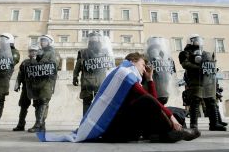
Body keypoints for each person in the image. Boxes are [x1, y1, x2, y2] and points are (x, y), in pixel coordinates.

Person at [37, 52, 200, 143]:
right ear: (133, 61)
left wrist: (150, 79)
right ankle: (172, 133)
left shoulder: (132, 76)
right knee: (151, 104)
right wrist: (172, 119)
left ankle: (161, 134)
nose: (145, 68)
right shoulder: (123, 73)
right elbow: (150, 100)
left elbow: (154, 101)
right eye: (143, 65)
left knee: (174, 110)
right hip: (115, 130)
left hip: (128, 125)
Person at [179, 34, 226, 131]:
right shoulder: (186, 53)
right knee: (195, 101)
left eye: (199, 39)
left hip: (207, 79)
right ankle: (194, 124)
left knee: (211, 101)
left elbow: (210, 62)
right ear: (190, 41)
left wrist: (212, 67)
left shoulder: (204, 52)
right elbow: (185, 64)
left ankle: (215, 123)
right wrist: (199, 68)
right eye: (195, 39)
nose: (198, 41)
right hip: (195, 80)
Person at [73, 32, 115, 115]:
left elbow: (111, 66)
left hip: (100, 81)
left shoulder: (105, 51)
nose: (93, 40)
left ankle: (97, 122)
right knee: (86, 102)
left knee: (100, 103)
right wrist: (75, 76)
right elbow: (78, 66)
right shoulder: (82, 52)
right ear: (88, 40)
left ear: (99, 39)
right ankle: (85, 122)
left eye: (95, 38)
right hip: (87, 81)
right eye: (92, 38)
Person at [25, 34, 58, 133]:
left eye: (44, 41)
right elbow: (32, 67)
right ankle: (42, 125)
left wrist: (40, 64)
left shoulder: (52, 53)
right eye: (42, 41)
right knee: (37, 102)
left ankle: (38, 124)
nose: (42, 42)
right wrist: (33, 59)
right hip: (36, 81)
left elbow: (54, 66)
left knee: (44, 101)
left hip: (47, 81)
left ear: (49, 42)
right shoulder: (39, 53)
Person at [12, 44, 40, 131]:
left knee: (37, 105)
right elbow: (20, 74)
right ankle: (21, 124)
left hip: (37, 87)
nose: (33, 53)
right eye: (31, 51)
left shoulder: (41, 62)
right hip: (26, 87)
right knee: (23, 105)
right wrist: (17, 84)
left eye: (35, 51)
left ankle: (38, 124)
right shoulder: (25, 62)